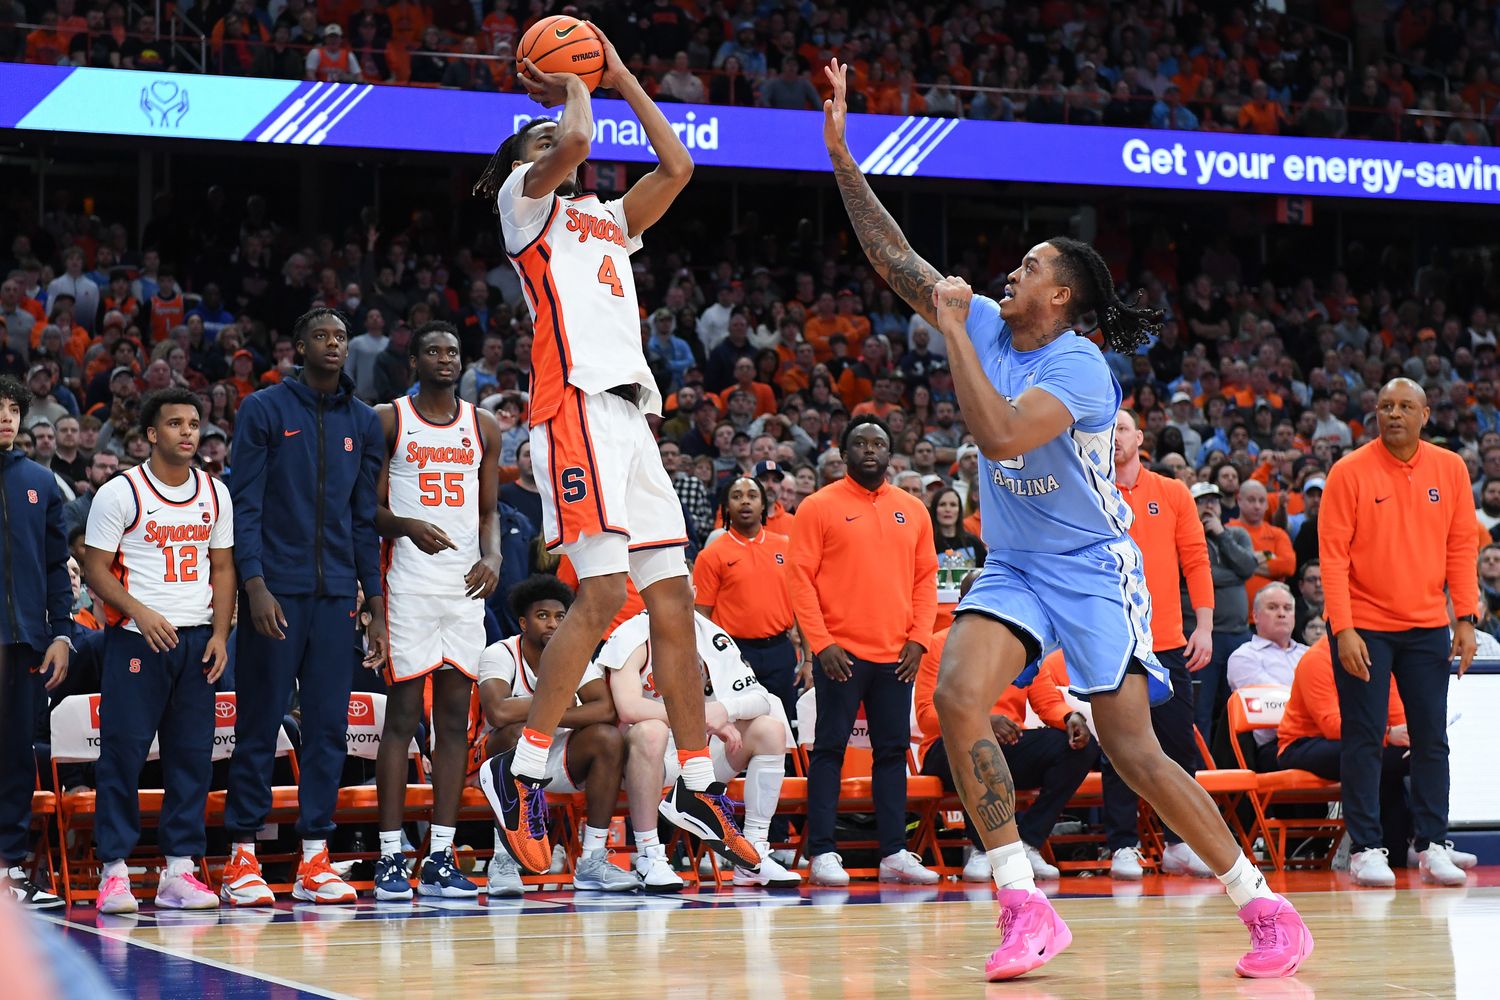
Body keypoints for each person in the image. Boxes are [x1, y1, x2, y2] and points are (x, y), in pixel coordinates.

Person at [818, 59, 1310, 981]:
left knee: (1135, 755)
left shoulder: (1081, 367)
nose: (1015, 269)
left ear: (1063, 297)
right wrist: (844, 157)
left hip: (1091, 566)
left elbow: (1001, 439)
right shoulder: (997, 327)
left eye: (1033, 265)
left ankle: (1264, 904)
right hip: (1014, 564)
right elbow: (895, 261)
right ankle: (1023, 899)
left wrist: (957, 330)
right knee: (960, 695)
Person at [471, 23, 757, 877]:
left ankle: (698, 780)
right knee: (598, 596)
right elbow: (583, 135)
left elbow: (678, 168)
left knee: (672, 605)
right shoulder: (524, 202)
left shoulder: (602, 219)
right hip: (575, 409)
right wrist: (570, 82)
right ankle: (521, 773)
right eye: (542, 128)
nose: (557, 134)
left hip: (634, 421)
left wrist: (622, 69)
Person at [220, 308, 388, 906]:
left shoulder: (365, 423)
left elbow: (363, 519)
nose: (334, 345)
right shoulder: (264, 409)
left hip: (339, 594)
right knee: (259, 725)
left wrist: (375, 600)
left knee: (327, 730)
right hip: (277, 591)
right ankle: (242, 857)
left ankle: (314, 857)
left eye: (342, 337)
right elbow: (247, 502)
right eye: (322, 335)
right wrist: (254, 583)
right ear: (299, 346)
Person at [1319, 378, 1478, 887]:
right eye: (1385, 405)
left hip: (1429, 623)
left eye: (1406, 406)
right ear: (1375, 413)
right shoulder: (1349, 472)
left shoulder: (1450, 468)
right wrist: (1342, 628)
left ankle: (1432, 844)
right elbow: (1333, 558)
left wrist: (1466, 618)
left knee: (1432, 738)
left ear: (1425, 414)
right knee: (1364, 739)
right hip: (1364, 625)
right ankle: (1367, 846)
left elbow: (1461, 548)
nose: (1394, 414)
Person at [81, 388, 234, 913]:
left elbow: (223, 568)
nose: (188, 432)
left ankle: (179, 871)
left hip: (196, 640)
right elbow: (96, 569)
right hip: (135, 638)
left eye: (194, 423)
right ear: (151, 433)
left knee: (192, 759)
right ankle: (115, 871)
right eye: (175, 424)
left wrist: (219, 634)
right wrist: (140, 612)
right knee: (122, 755)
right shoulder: (120, 492)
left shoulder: (216, 493)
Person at [370, 322, 502, 902]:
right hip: (407, 584)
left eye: (452, 351)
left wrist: (494, 556)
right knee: (402, 721)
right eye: (432, 351)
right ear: (414, 360)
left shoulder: (485, 425)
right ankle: (391, 855)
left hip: (465, 588)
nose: (444, 359)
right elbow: (367, 508)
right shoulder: (389, 418)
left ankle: (442, 854)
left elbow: (491, 510)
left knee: (454, 723)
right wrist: (405, 525)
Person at [789, 416, 940, 887]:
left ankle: (894, 852)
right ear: (843, 452)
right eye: (860, 443)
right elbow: (800, 581)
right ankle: (823, 853)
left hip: (897, 653)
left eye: (878, 443)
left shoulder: (913, 509)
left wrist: (918, 640)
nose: (869, 450)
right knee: (829, 751)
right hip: (841, 653)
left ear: (891, 454)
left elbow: (925, 580)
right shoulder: (817, 506)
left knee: (892, 752)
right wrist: (822, 644)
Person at [597, 609, 801, 891]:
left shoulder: (709, 635)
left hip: (697, 755)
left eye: (685, 588)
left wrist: (726, 709)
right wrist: (699, 718)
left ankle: (751, 855)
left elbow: (761, 698)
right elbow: (629, 708)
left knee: (769, 729)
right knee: (651, 731)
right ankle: (648, 854)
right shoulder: (633, 636)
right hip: (640, 760)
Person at [916, 573, 1098, 883]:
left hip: (1010, 741)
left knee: (1081, 747)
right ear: (962, 605)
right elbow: (926, 715)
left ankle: (1027, 841)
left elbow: (1044, 700)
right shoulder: (938, 644)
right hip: (946, 748)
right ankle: (982, 847)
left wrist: (1069, 718)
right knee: (979, 744)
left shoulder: (1021, 647)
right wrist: (982, 721)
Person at [477, 576, 640, 896]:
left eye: (560, 616)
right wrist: (558, 706)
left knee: (607, 738)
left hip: (556, 756)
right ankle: (502, 860)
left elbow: (605, 709)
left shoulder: (574, 655)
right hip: (498, 759)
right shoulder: (500, 653)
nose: (552, 623)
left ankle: (592, 859)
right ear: (523, 622)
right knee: (515, 732)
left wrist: (549, 714)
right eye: (542, 616)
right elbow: (497, 713)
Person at [1108, 409, 1216, 879]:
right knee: (1118, 747)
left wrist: (1205, 625)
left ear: (1140, 437)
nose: (1114, 437)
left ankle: (1179, 842)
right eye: (1106, 430)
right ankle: (1122, 845)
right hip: (1112, 640)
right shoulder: (1090, 491)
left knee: (1176, 746)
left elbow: (1196, 561)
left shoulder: (1172, 493)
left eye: (1122, 429)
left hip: (1167, 639)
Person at [0, 375, 71, 908]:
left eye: (13, 409)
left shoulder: (41, 483)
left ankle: (9, 869)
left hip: (25, 641)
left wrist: (62, 634)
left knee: (16, 759)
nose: (6, 417)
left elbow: (54, 568)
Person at [1275, 637, 1413, 883]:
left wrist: (1409, 738)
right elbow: (1330, 726)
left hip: (1359, 742)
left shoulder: (1378, 656)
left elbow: (1397, 714)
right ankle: (1373, 848)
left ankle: (1411, 847)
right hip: (1302, 745)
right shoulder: (1316, 660)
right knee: (1378, 757)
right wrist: (1387, 736)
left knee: (1406, 757)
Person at [694, 475, 805, 726]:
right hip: (734, 653)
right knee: (738, 728)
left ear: (764, 505)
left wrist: (808, 659)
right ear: (725, 507)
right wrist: (708, 664)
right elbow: (701, 616)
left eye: (752, 496)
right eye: (737, 496)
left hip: (780, 650)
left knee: (784, 728)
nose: (745, 502)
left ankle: (787, 767)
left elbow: (802, 606)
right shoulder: (711, 555)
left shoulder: (786, 546)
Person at [1187, 481, 1257, 742]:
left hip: (1240, 636)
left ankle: (1236, 767)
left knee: (1240, 708)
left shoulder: (1236, 535)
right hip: (1204, 637)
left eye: (1213, 501)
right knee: (1201, 711)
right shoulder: (1186, 538)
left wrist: (1221, 534)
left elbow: (1248, 566)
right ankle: (1202, 774)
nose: (1209, 506)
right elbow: (1190, 573)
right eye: (1202, 501)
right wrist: (1236, 576)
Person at [1227, 583, 1309, 771]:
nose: (1282, 613)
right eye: (1272, 608)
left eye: (1287, 608)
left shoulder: (1308, 654)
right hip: (1275, 747)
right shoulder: (1244, 657)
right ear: (1255, 616)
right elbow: (1274, 706)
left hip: (1315, 737)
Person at [1230, 480, 1295, 621]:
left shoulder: (1277, 534)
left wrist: (1241, 563)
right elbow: (1223, 565)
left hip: (1272, 619)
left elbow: (1288, 566)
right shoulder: (1227, 531)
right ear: (1239, 500)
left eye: (1261, 501)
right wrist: (1269, 558)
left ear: (1267, 504)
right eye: (1251, 500)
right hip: (1236, 617)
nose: (1257, 506)